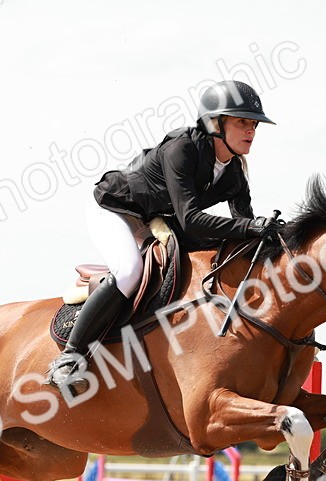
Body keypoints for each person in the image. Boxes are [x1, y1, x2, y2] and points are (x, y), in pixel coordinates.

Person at [47, 79, 281, 397]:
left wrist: (275, 236)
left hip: (155, 217)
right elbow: (192, 220)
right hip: (115, 208)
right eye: (242, 122)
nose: (251, 131)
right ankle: (68, 360)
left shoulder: (234, 172)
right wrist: (251, 228)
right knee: (130, 271)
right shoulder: (182, 149)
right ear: (215, 123)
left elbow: (244, 227)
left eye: (253, 124)